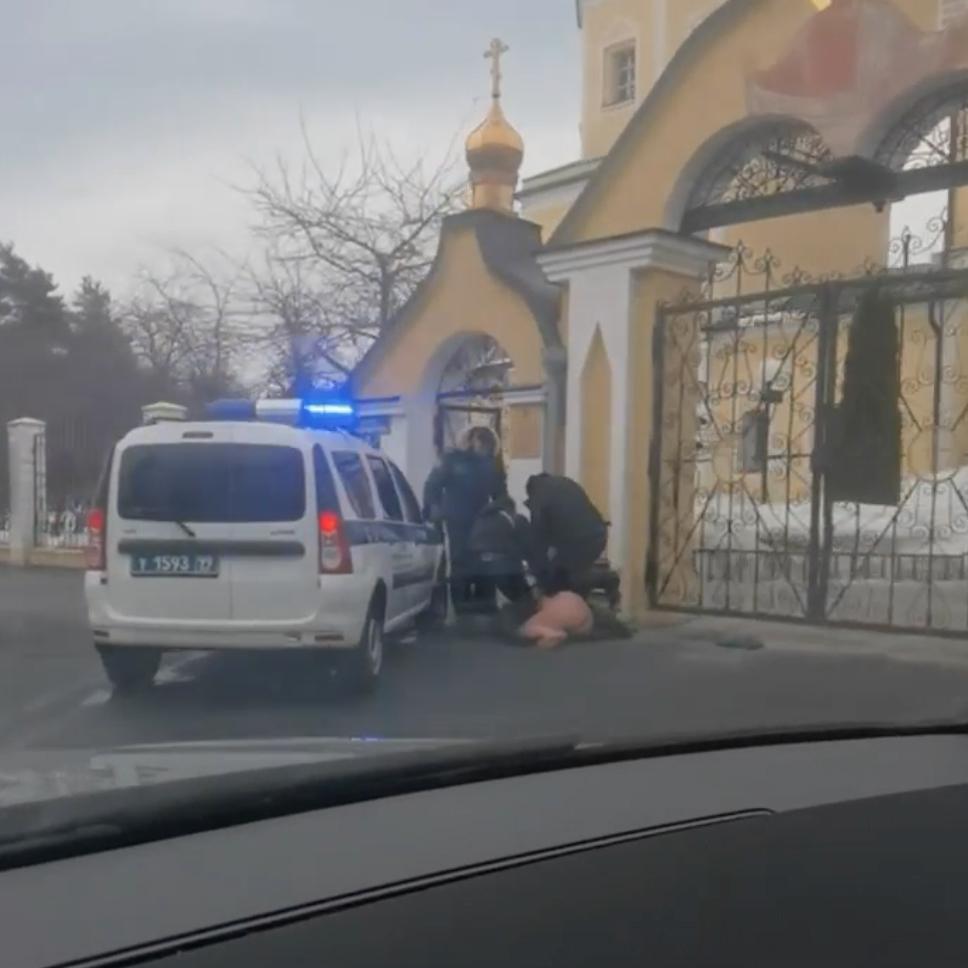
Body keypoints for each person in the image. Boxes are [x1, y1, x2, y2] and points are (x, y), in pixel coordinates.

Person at [423, 426, 506, 614]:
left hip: (475, 519)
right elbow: (432, 487)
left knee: (478, 561)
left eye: (484, 442)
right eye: (479, 441)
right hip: (463, 519)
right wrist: (434, 511)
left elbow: (500, 494)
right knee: (465, 562)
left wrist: (500, 512)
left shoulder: (486, 464)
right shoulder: (453, 460)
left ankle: (478, 606)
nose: (481, 445)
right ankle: (468, 607)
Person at [525, 473, 608, 596]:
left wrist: (538, 572)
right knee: (569, 573)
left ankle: (605, 580)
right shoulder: (565, 482)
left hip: (578, 540)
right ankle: (580, 603)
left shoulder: (539, 494)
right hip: (598, 533)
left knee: (558, 578)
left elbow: (538, 538)